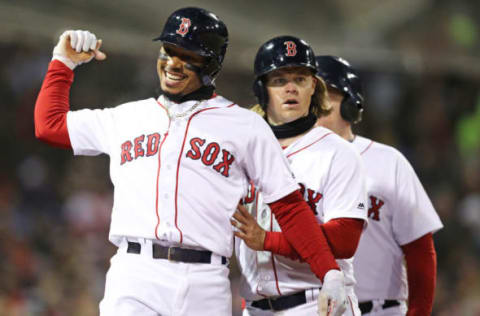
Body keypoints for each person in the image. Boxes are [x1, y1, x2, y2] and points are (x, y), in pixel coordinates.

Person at [33, 7, 350, 316]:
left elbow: (290, 207)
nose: (173, 62)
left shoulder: (245, 126)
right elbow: (49, 126)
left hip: (204, 281)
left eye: (188, 56)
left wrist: (329, 273)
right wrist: (63, 63)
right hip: (135, 273)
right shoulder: (127, 117)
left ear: (211, 64)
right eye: (169, 50)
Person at [232, 36, 368, 316]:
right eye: (279, 80)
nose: (290, 88)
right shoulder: (242, 151)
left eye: (300, 78)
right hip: (255, 307)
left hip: (317, 302)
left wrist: (268, 239)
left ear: (313, 87)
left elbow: (344, 239)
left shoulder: (338, 153)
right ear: (262, 90)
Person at [315, 55, 444, 316]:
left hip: (378, 309)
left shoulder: (388, 161)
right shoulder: (288, 162)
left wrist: (418, 312)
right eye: (311, 96)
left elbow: (420, 248)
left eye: (325, 95)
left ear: (351, 105)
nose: (315, 105)